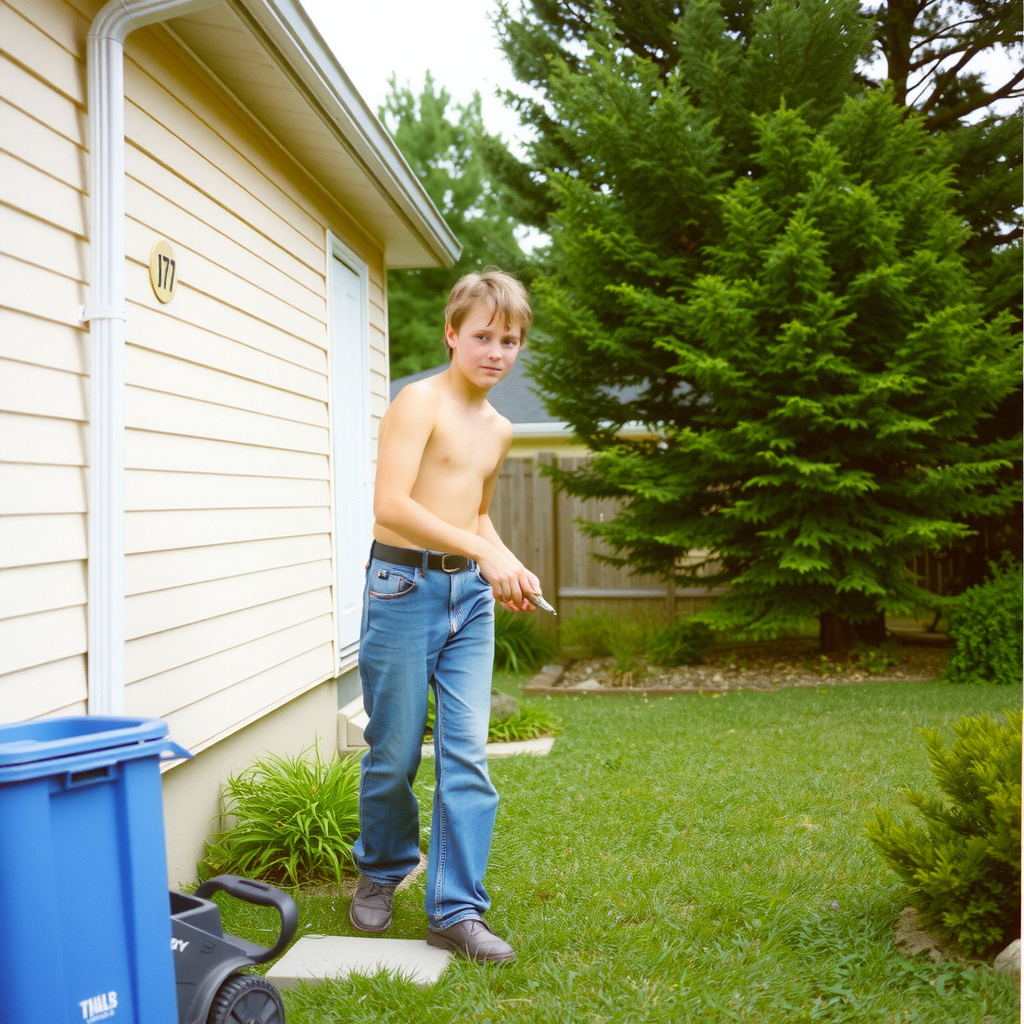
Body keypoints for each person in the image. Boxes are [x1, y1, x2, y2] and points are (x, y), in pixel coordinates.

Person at [349, 269, 542, 963]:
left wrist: (508, 564)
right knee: (395, 750)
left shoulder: (501, 428)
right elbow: (392, 506)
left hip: (470, 601)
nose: (496, 350)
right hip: (401, 587)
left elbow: (478, 515)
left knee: (467, 756)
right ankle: (383, 866)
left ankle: (456, 911)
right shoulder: (417, 402)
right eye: (484, 336)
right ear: (452, 333)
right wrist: (478, 553)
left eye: (510, 340)